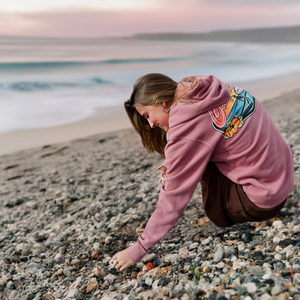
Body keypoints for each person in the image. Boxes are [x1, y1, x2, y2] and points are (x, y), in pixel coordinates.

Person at [112, 73, 294, 271]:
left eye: (147, 115)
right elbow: (206, 133)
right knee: (196, 157)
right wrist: (175, 160)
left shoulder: (187, 124)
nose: (151, 124)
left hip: (262, 201)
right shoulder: (210, 91)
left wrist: (138, 249)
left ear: (163, 103)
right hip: (283, 178)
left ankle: (223, 211)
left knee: (211, 207)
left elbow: (173, 196)